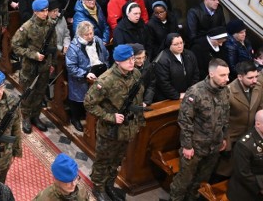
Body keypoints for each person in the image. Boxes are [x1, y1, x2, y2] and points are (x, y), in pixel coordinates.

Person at [83, 45, 145, 201]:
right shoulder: (105, 80)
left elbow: (137, 96)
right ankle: (98, 187)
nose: (132, 62)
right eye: (127, 59)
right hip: (110, 130)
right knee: (103, 160)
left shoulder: (135, 74)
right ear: (118, 61)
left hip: (127, 128)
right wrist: (110, 117)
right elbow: (89, 104)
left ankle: (109, 184)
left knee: (117, 159)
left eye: (132, 58)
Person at [169, 59, 230, 201]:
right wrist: (187, 146)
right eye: (222, 75)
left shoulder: (225, 91)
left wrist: (224, 137)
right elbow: (185, 121)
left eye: (227, 75)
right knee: (183, 182)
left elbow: (225, 116)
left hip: (214, 146)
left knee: (201, 182)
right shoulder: (195, 92)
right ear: (211, 74)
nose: (227, 79)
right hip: (195, 146)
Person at [11, 0, 59, 133]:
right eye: (42, 11)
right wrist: (34, 55)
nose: (45, 14)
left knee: (40, 92)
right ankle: (26, 117)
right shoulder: (27, 27)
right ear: (35, 12)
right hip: (30, 67)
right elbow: (15, 45)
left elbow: (53, 46)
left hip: (45, 66)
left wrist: (52, 63)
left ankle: (36, 116)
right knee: (28, 94)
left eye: (46, 11)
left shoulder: (51, 24)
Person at [66, 21, 109, 133]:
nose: (90, 36)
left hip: (98, 71)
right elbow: (71, 67)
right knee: (79, 100)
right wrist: (85, 74)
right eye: (87, 35)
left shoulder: (98, 40)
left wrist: (105, 68)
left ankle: (96, 117)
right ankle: (75, 118)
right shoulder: (74, 47)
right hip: (81, 77)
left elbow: (105, 56)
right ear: (80, 34)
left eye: (91, 33)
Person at [226, 61, 263, 149]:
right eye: (250, 78)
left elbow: (260, 108)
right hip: (233, 139)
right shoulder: (228, 92)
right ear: (240, 77)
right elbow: (223, 120)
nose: (255, 80)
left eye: (256, 76)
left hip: (252, 136)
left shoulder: (258, 86)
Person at [227, 110, 263, 200]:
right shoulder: (244, 145)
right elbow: (243, 174)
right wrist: (261, 188)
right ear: (258, 124)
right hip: (248, 191)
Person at [153, 33, 200, 102]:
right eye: (176, 44)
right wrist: (177, 95)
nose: (180, 46)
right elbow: (163, 82)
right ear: (169, 45)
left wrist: (190, 91)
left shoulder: (189, 55)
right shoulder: (162, 59)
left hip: (188, 94)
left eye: (181, 43)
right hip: (169, 98)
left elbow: (196, 74)